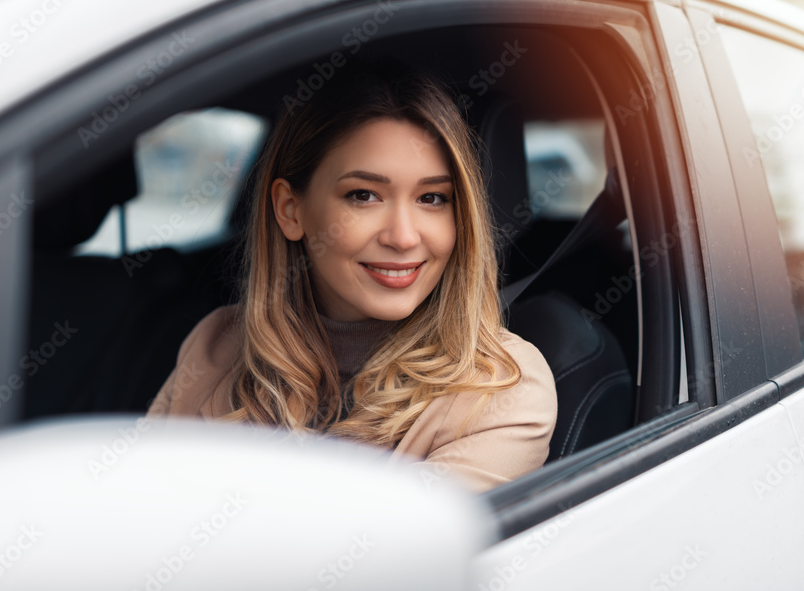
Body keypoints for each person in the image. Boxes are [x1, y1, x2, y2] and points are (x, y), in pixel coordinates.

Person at [147, 59, 556, 492]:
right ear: (291, 210)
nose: (403, 237)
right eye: (364, 196)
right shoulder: (213, 346)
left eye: (433, 198)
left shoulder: (504, 390)